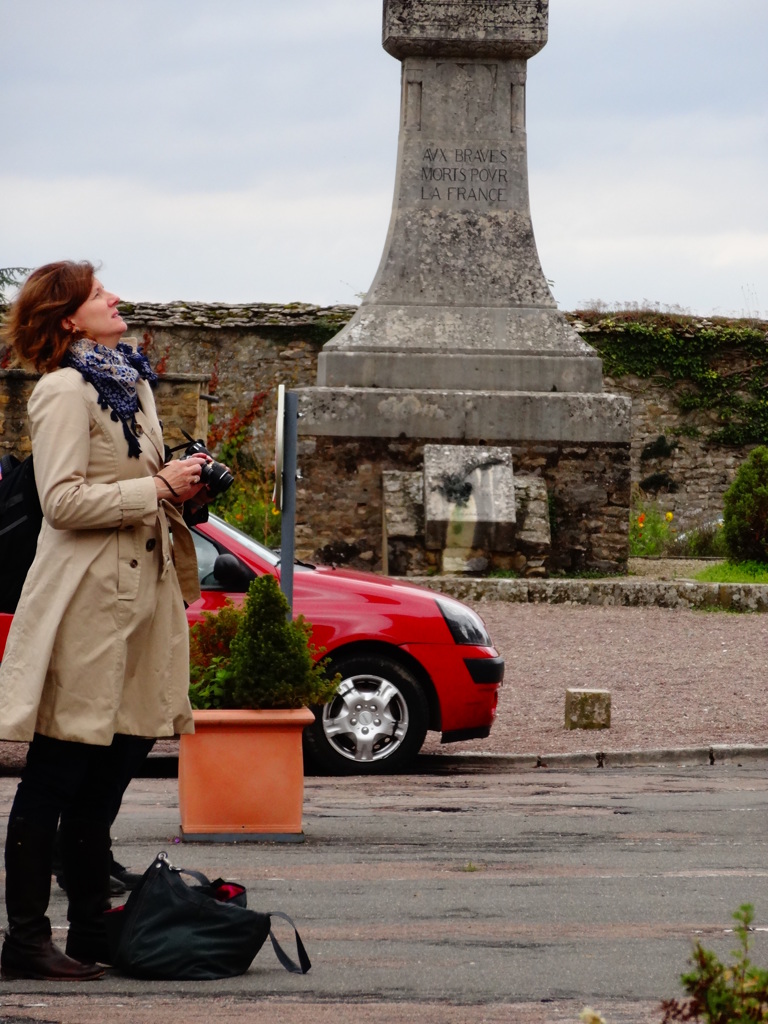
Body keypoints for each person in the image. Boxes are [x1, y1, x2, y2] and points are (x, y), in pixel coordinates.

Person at [0, 261, 210, 980]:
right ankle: (26, 940)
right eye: (98, 295)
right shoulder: (62, 392)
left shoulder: (130, 384)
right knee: (57, 775)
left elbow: (146, 490)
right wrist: (153, 486)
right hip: (88, 606)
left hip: (144, 606)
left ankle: (89, 931)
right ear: (67, 319)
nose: (115, 299)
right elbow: (62, 503)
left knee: (111, 775)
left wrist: (188, 484)